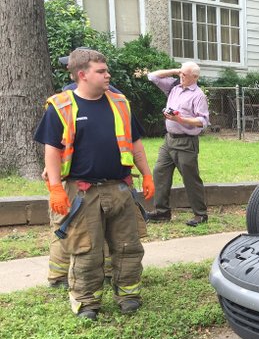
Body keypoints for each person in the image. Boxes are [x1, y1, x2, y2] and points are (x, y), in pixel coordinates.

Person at [34, 48, 155, 320]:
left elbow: (135, 144)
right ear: (82, 75)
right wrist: (55, 188)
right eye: (101, 71)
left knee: (128, 247)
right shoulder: (61, 107)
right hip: (82, 192)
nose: (107, 75)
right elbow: (51, 150)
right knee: (86, 250)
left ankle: (129, 295)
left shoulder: (120, 103)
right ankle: (87, 303)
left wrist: (146, 174)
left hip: (120, 188)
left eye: (106, 69)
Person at [45, 50, 124, 288]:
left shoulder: (112, 97)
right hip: (72, 179)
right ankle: (60, 276)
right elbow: (56, 140)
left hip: (98, 180)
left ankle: (102, 271)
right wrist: (53, 174)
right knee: (70, 228)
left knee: (84, 230)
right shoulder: (66, 97)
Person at [145, 63, 210, 226]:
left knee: (190, 178)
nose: (181, 77)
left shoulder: (198, 95)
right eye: (180, 74)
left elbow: (203, 121)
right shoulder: (174, 87)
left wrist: (180, 119)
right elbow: (152, 76)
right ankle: (162, 212)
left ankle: (200, 215)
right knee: (160, 172)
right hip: (169, 140)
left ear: (195, 77)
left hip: (186, 142)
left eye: (185, 75)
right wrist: (175, 71)